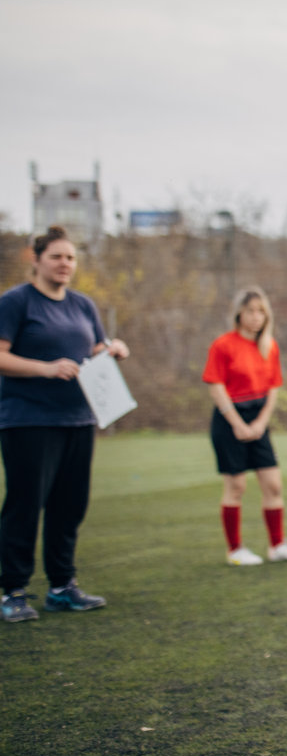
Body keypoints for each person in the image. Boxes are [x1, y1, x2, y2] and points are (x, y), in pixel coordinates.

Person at [0, 227, 129, 622]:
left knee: (69, 506)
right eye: (56, 256)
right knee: (25, 505)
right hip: (29, 420)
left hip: (79, 419)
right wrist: (45, 368)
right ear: (36, 259)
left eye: (70, 257)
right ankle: (13, 592)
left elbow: (94, 351)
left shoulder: (83, 305)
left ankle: (62, 587)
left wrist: (113, 350)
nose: (64, 264)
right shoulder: (16, 302)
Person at [202, 287, 287, 566]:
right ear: (239, 313)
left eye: (261, 311)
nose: (256, 316)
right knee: (236, 486)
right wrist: (237, 424)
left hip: (258, 418)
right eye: (250, 310)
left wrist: (261, 422)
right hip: (230, 419)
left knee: (273, 485)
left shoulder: (269, 346)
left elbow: (273, 387)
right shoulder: (223, 345)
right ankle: (235, 550)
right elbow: (216, 386)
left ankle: (277, 545)